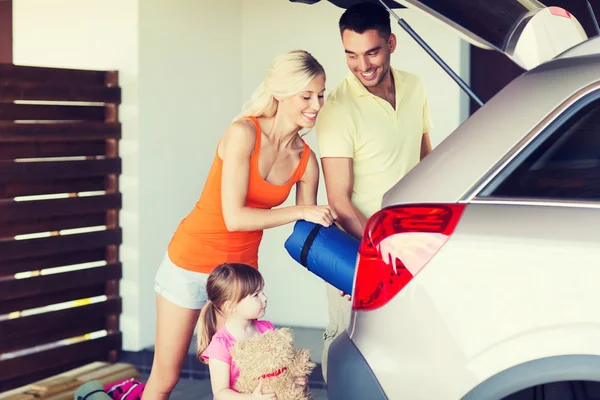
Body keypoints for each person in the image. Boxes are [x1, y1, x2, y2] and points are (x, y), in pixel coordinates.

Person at [143, 50, 337, 400]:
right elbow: (235, 217)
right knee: (166, 376)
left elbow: (310, 234)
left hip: (240, 279)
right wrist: (299, 211)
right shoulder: (243, 132)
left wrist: (339, 276)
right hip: (189, 263)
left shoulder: (305, 161)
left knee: (250, 382)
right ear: (280, 93)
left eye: (320, 95)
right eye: (306, 95)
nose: (317, 105)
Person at [314, 2, 434, 381]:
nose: (362, 65)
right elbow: (339, 201)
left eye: (372, 52)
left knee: (406, 343)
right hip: (359, 251)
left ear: (391, 43)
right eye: (350, 54)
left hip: (409, 246)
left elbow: (426, 161)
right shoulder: (337, 109)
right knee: (347, 342)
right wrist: (378, 256)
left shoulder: (414, 86)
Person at [197, 263, 309, 399]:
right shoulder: (221, 344)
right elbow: (221, 393)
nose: (264, 298)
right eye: (256, 295)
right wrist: (251, 398)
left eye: (263, 291)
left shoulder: (267, 329)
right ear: (231, 305)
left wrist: (296, 379)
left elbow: (282, 368)